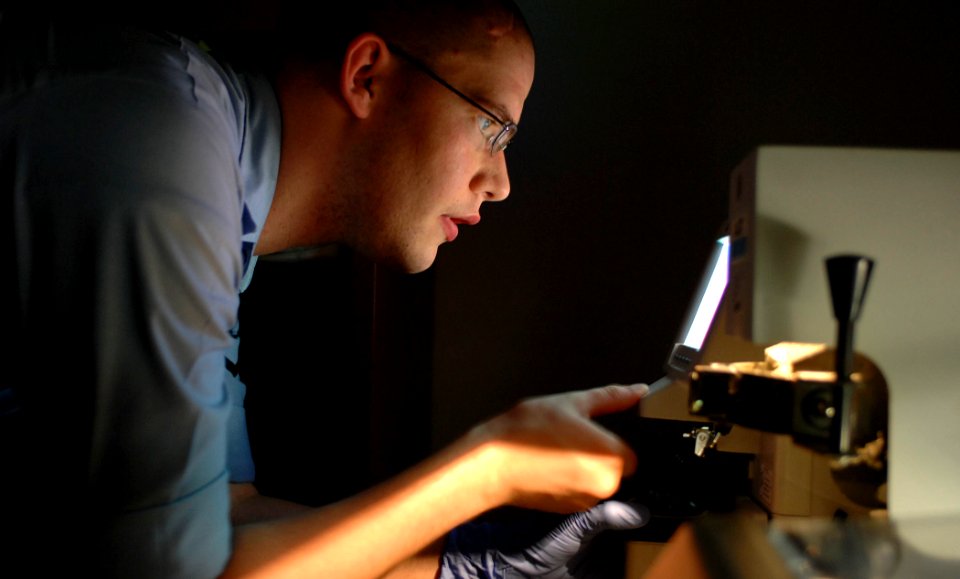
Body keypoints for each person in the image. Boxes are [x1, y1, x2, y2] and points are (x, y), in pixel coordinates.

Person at [1, 2, 650, 577]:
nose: (502, 182)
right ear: (366, 75)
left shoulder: (219, 184)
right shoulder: (163, 155)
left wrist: (449, 559)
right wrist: (488, 468)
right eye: (492, 126)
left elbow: (229, 515)